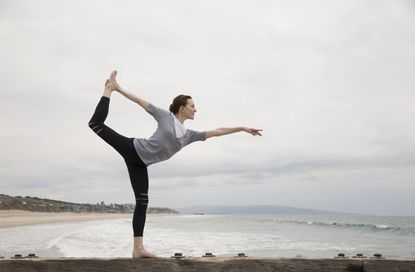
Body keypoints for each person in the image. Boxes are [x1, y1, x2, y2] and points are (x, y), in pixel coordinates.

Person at [88, 70, 262, 258]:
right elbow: (140, 101)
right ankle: (108, 89)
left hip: (140, 164)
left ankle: (138, 249)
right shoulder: (165, 117)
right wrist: (117, 88)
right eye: (193, 106)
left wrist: (242, 128)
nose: (196, 109)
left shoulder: (188, 136)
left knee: (142, 202)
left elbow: (217, 131)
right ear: (182, 107)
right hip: (132, 149)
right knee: (95, 124)